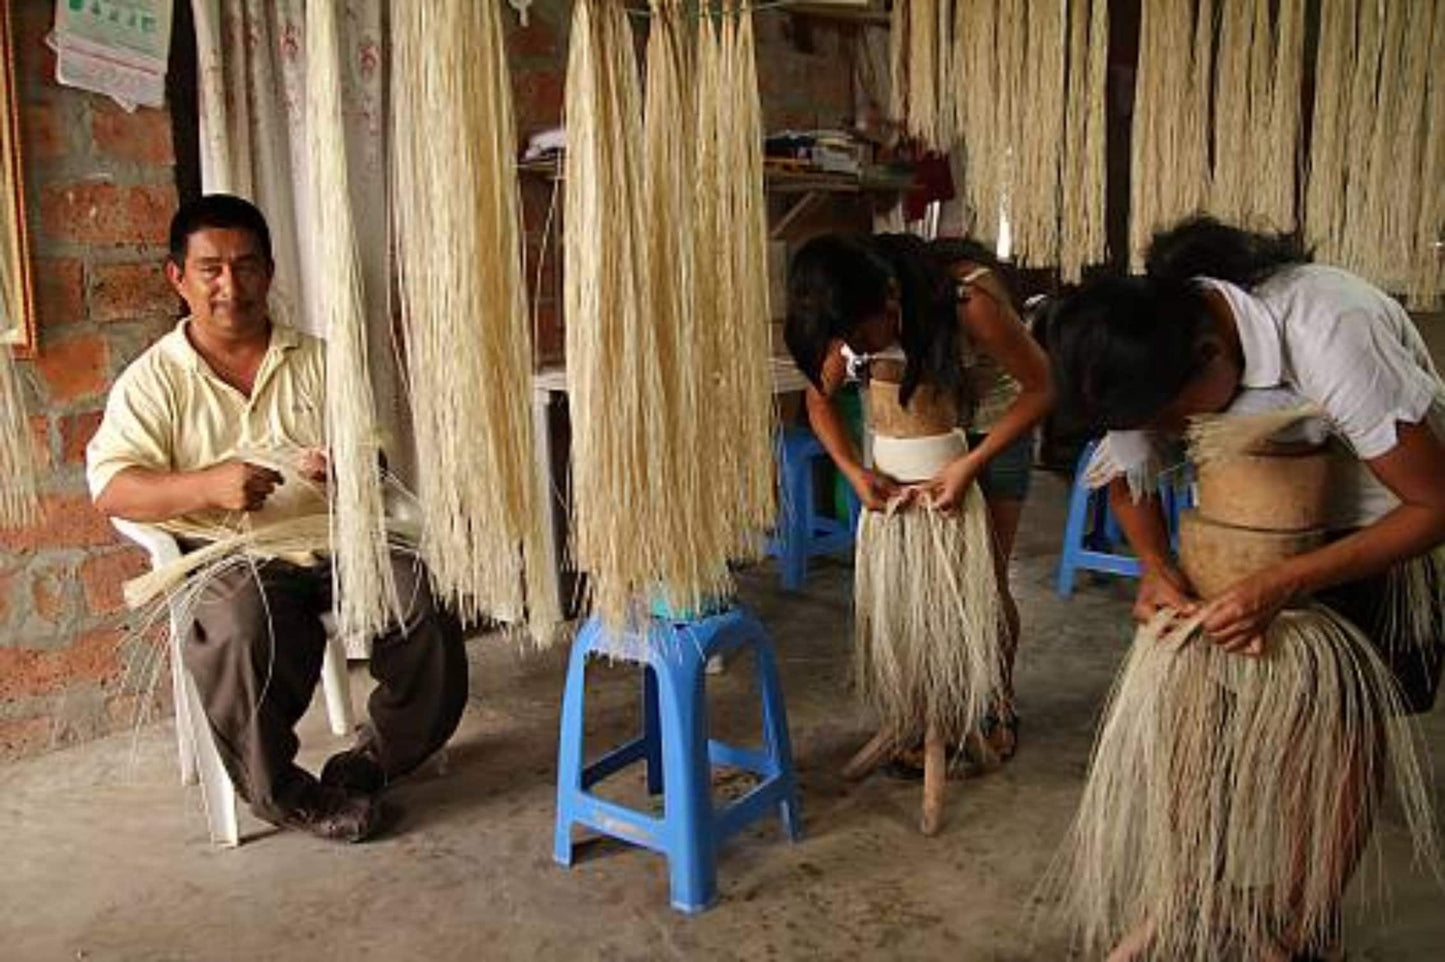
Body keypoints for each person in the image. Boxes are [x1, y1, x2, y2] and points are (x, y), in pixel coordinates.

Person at [1046, 215, 1445, 959]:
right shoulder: (1152, 345)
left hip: (1373, 536)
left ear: (1208, 352)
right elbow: (1126, 480)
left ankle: (1304, 925)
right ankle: (1188, 894)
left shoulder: (1330, 326)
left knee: (1331, 741)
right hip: (1235, 535)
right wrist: (1155, 571)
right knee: (1190, 714)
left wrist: (1286, 583)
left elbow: (1434, 504)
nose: (1168, 429)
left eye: (1173, 417)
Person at [87, 194, 467, 843]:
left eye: (245, 265)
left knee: (423, 599)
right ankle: (286, 795)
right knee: (242, 626)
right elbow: (115, 491)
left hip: (337, 542)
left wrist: (345, 466)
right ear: (177, 277)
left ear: (268, 271)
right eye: (210, 269)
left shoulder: (319, 362)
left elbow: (373, 453)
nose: (229, 286)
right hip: (230, 558)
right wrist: (208, 484)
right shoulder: (153, 382)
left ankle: (376, 760)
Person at [786, 232, 1054, 764]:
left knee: (983, 582)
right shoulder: (848, 320)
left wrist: (969, 465)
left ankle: (995, 704)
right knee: (919, 586)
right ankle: (926, 713)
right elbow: (819, 403)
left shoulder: (969, 303)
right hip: (920, 430)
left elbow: (1043, 387)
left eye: (863, 339)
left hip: (992, 431)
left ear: (889, 299)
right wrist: (854, 472)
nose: (856, 352)